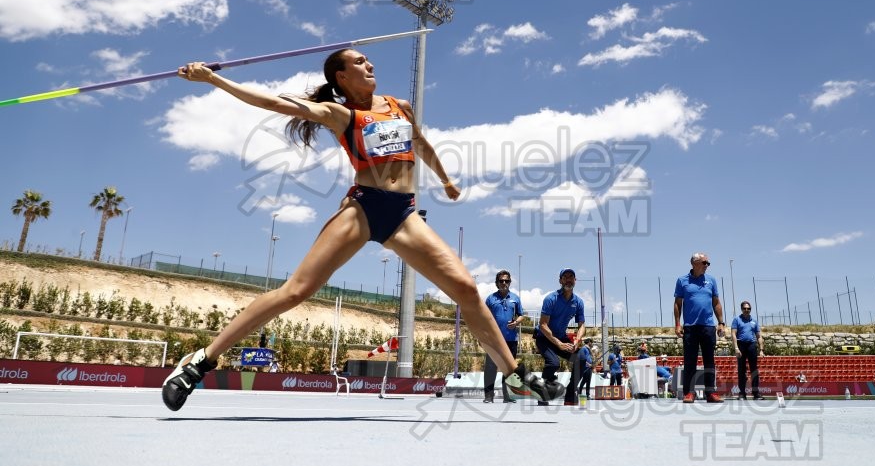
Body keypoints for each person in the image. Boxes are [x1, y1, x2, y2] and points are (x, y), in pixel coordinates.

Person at [161, 50, 555, 410]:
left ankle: (514, 376)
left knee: (468, 290)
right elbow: (273, 102)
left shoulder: (398, 106)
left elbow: (420, 143)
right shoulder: (340, 114)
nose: (371, 65)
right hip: (363, 207)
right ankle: (201, 361)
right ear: (341, 77)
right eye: (360, 63)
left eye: (370, 61)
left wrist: (446, 179)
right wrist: (213, 80)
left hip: (403, 213)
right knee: (297, 291)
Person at [674, 252, 726, 404]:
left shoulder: (711, 280)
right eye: (704, 263)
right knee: (690, 361)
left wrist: (721, 322)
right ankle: (689, 393)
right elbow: (678, 304)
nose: (707, 266)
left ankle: (711, 393)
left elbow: (716, 302)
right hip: (690, 327)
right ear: (694, 263)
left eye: (707, 263)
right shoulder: (682, 280)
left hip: (708, 327)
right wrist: (677, 324)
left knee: (709, 361)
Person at [534, 268, 585, 406]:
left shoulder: (578, 302)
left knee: (581, 359)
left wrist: (577, 340)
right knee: (553, 363)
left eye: (571, 277)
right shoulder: (551, 299)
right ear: (560, 280)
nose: (568, 279)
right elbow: (543, 325)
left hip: (561, 338)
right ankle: (542, 393)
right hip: (544, 337)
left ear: (575, 280)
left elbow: (582, 325)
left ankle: (570, 394)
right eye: (565, 277)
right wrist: (559, 344)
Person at [483, 269, 524, 403]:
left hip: (511, 339)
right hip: (493, 340)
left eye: (506, 281)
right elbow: (484, 318)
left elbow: (521, 315)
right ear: (497, 283)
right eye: (501, 281)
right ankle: (489, 396)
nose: (504, 283)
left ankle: (508, 396)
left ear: (510, 282)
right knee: (490, 368)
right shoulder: (490, 299)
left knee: (509, 368)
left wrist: (516, 322)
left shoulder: (515, 298)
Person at [731, 300, 764, 400]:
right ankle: (742, 393)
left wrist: (761, 349)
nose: (746, 310)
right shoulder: (737, 319)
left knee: (754, 370)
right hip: (741, 345)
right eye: (745, 308)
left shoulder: (754, 321)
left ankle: (756, 393)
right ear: (741, 309)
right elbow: (733, 334)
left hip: (751, 345)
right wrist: (736, 348)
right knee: (742, 370)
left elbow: (759, 336)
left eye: (748, 308)